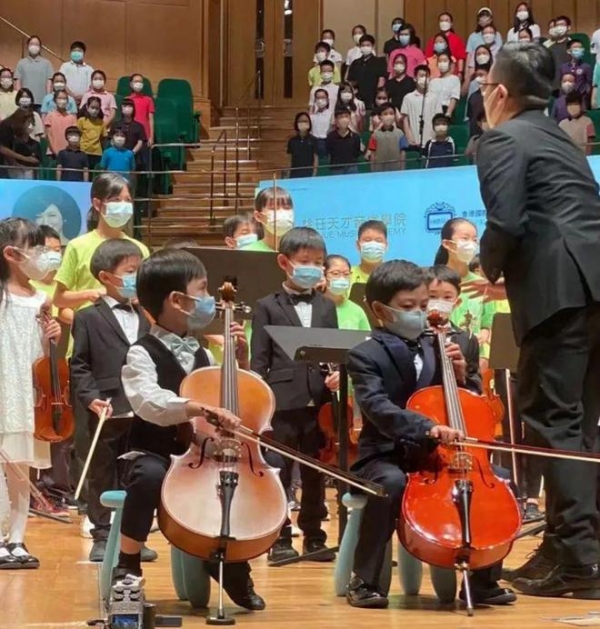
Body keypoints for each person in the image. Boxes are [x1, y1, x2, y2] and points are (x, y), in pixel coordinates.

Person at [476, 42, 600, 597]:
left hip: (559, 295)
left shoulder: (501, 138)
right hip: (592, 287)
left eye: (485, 88)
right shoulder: (562, 139)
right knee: (581, 426)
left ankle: (579, 562)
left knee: (554, 424)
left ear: (500, 93)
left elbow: (506, 221)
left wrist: (489, 266)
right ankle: (563, 547)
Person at [345, 260, 515, 608]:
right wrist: (426, 426)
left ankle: (484, 580)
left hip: (437, 455)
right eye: (409, 307)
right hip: (386, 453)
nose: (421, 314)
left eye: (424, 305)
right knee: (390, 485)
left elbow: (465, 403)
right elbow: (377, 407)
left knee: (498, 479)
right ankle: (364, 580)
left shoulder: (438, 344)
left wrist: (462, 375)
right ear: (380, 310)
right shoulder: (365, 354)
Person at [115, 248, 265, 610]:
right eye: (203, 289)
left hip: (200, 452)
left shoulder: (205, 354)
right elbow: (148, 401)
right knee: (149, 476)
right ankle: (128, 562)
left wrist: (240, 362)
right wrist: (197, 408)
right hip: (153, 450)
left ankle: (229, 562)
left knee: (228, 479)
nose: (210, 298)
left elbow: (233, 401)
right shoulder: (141, 353)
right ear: (177, 301)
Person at [251, 227, 339, 563]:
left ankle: (315, 536)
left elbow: (334, 354)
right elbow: (259, 360)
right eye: (305, 261)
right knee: (280, 470)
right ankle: (280, 537)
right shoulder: (266, 306)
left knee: (315, 470)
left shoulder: (327, 306)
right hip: (281, 401)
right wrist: (260, 406)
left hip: (319, 402)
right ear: (284, 262)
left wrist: (336, 374)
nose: (312, 268)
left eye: (318, 262)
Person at [69, 239, 156, 564]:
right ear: (106, 277)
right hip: (106, 405)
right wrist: (91, 398)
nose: (137, 277)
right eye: (130, 271)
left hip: (143, 405)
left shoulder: (147, 314)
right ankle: (103, 535)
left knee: (139, 473)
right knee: (102, 472)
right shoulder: (87, 317)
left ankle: (134, 538)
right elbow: (79, 364)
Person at [0, 217, 62, 569]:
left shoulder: (42, 298)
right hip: (4, 387)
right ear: (11, 254)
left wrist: (53, 336)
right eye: (35, 248)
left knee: (22, 469)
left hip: (31, 393)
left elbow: (44, 353)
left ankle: (17, 538)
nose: (43, 255)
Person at [434, 218, 494, 366]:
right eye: (465, 239)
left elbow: (486, 324)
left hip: (475, 358)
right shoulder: (433, 281)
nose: (471, 244)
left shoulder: (483, 285)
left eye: (474, 240)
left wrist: (484, 335)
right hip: (439, 353)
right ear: (447, 244)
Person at [323, 254, 370, 330]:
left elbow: (367, 336)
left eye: (346, 274)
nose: (342, 278)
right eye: (335, 273)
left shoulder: (357, 310)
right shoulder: (313, 307)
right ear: (323, 275)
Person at [400, 65, 443, 148]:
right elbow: (405, 120)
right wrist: (409, 137)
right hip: (414, 141)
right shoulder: (408, 98)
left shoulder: (435, 97)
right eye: (421, 76)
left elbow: (438, 119)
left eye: (426, 76)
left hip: (431, 141)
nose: (424, 79)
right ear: (415, 78)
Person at [242, 186, 294, 252]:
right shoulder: (247, 252)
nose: (282, 212)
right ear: (258, 216)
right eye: (273, 208)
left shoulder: (301, 250)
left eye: (287, 208)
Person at [347, 35, 387, 111]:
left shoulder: (379, 62)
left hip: (373, 99)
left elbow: (381, 80)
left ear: (373, 46)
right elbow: (350, 81)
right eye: (363, 45)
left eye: (368, 45)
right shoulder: (355, 63)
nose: (365, 47)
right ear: (360, 47)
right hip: (358, 99)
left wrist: (377, 97)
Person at [14, 36, 54, 110]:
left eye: (36, 44)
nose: (34, 46)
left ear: (40, 47)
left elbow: (49, 83)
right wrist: (19, 98)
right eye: (31, 44)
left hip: (41, 102)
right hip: (25, 102)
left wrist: (48, 99)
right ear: (27, 46)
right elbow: (18, 82)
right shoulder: (21, 63)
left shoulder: (47, 63)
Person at [366, 102, 405, 172]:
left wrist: (402, 169)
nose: (389, 116)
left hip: (396, 170)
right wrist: (372, 171)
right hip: (379, 170)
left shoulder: (400, 133)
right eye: (385, 114)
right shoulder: (375, 135)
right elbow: (372, 154)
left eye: (391, 113)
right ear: (380, 117)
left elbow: (402, 153)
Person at [0, 110, 39, 179]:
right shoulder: (6, 127)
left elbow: (8, 149)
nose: (29, 125)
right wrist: (26, 159)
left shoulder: (11, 129)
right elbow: (3, 149)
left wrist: (15, 164)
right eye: (28, 122)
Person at [351, 220, 388, 286]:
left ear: (386, 245)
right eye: (367, 240)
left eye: (378, 240)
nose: (373, 244)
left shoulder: (395, 275)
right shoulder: (347, 275)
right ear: (358, 245)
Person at [326, 108, 362, 175]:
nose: (344, 119)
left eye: (346, 116)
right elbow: (329, 152)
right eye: (341, 117)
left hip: (352, 167)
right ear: (336, 120)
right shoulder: (331, 136)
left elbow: (356, 153)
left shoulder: (355, 137)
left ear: (349, 119)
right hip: (336, 168)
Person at [559, 40, 593, 107]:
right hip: (566, 99)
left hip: (581, 100)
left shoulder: (586, 67)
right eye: (575, 47)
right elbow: (561, 84)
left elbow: (589, 84)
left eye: (580, 48)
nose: (578, 49)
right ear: (569, 51)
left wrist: (584, 94)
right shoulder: (563, 67)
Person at [44, 90, 77, 158]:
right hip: (52, 153)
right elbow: (49, 136)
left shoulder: (71, 118)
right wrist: (56, 152)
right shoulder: (50, 116)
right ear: (55, 100)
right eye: (59, 98)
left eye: (64, 98)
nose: (62, 101)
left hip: (68, 153)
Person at [77, 96, 107, 170]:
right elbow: (78, 134)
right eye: (92, 107)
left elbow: (103, 137)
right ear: (87, 107)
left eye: (97, 108)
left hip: (97, 153)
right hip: (83, 151)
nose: (94, 110)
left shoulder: (101, 122)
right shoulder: (81, 120)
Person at [429, 52, 461, 117]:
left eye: (445, 61)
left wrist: (449, 112)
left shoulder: (454, 79)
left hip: (447, 110)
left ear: (450, 64)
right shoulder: (433, 81)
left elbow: (454, 97)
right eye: (440, 61)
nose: (442, 63)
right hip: (434, 111)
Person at [287, 112, 318, 178]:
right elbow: (289, 160)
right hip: (294, 175)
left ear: (309, 123)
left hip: (309, 175)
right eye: (300, 121)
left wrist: (314, 176)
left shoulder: (314, 140)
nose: (303, 123)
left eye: (305, 121)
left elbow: (315, 160)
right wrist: (288, 175)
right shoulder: (292, 141)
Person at [129, 74, 155, 146]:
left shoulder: (148, 100)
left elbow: (151, 119)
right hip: (131, 133)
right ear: (131, 84)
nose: (138, 83)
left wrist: (151, 137)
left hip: (145, 134)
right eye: (136, 81)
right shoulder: (127, 99)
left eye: (140, 82)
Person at [467, 62, 490, 136]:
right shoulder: (473, 97)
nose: (478, 78)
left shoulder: (496, 95)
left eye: (481, 75)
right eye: (477, 76)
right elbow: (470, 118)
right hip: (475, 135)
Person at [550, 16, 573, 91]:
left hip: (570, 86)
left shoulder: (573, 46)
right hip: (554, 87)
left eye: (562, 25)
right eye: (557, 25)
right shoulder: (550, 48)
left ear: (568, 27)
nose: (559, 27)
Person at [309, 89, 332, 157]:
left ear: (327, 100)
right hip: (314, 143)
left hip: (327, 143)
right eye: (318, 98)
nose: (320, 100)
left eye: (323, 97)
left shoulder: (332, 115)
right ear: (315, 100)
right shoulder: (312, 116)